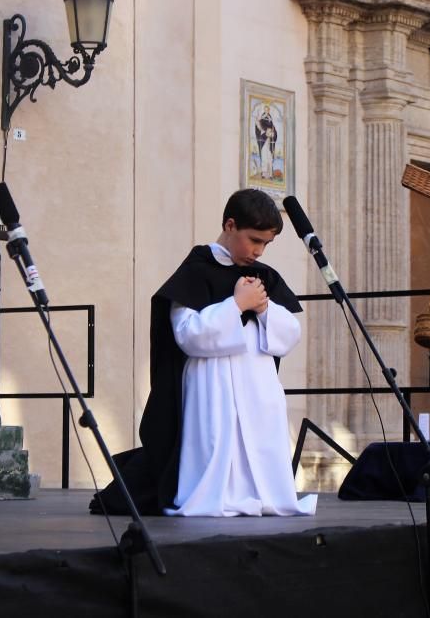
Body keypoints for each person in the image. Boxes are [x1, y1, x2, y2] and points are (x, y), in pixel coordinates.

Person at [112, 189, 316, 517]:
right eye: (253, 240)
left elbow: (290, 333)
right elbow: (188, 334)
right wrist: (236, 305)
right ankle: (216, 496)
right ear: (230, 225)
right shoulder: (197, 270)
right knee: (216, 440)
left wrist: (263, 309)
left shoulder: (265, 277)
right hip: (212, 382)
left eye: (266, 244)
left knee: (262, 441)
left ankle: (259, 494)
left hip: (258, 383)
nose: (258, 251)